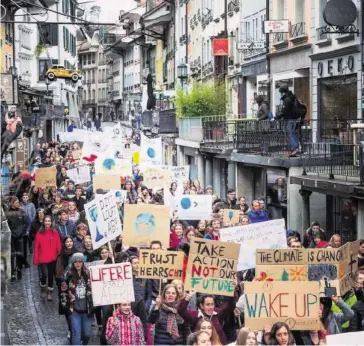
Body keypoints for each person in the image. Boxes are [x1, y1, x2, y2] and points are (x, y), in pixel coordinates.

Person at [61, 252, 94, 346]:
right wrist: (66, 308)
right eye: (76, 262)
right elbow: (63, 291)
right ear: (73, 263)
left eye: (80, 261)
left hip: (87, 310)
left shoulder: (88, 273)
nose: (78, 264)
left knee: (86, 335)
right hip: (74, 310)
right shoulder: (68, 275)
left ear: (83, 262)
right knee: (76, 335)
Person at [33, 215, 61, 300]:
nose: (47, 223)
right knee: (44, 274)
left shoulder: (55, 232)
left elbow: (58, 244)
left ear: (51, 222)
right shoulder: (39, 233)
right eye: (46, 221)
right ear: (43, 222)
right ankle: (43, 288)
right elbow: (36, 247)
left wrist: (58, 254)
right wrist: (36, 258)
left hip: (52, 258)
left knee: (50, 275)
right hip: (42, 258)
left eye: (49, 221)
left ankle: (49, 292)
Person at [55, 236, 77, 341]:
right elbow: (59, 272)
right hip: (65, 286)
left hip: (77, 284)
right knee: (67, 308)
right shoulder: (61, 256)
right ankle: (70, 329)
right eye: (67, 242)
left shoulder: (78, 253)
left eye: (70, 241)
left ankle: (77, 329)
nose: (69, 243)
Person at [6, 197, 27, 282]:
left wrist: (22, 232)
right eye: (16, 202)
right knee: (12, 256)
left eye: (18, 202)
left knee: (20, 254)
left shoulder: (21, 211)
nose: (18, 203)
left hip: (20, 236)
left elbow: (24, 223)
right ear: (12, 203)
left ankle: (19, 270)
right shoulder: (7, 213)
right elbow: (6, 226)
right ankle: (12, 273)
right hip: (12, 237)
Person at [277, 85, 300, 157]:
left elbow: (284, 111)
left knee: (290, 134)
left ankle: (295, 149)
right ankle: (293, 149)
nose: (280, 94)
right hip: (294, 119)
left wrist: (277, 117)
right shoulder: (292, 97)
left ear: (283, 92)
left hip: (290, 119)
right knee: (293, 134)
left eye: (281, 92)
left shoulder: (287, 100)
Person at [20, 191, 36, 267]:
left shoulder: (31, 204)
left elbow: (34, 213)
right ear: (22, 198)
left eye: (26, 197)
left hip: (30, 224)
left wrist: (32, 221)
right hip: (24, 225)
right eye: (24, 197)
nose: (25, 199)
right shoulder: (20, 205)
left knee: (30, 237)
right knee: (25, 239)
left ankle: (30, 247)